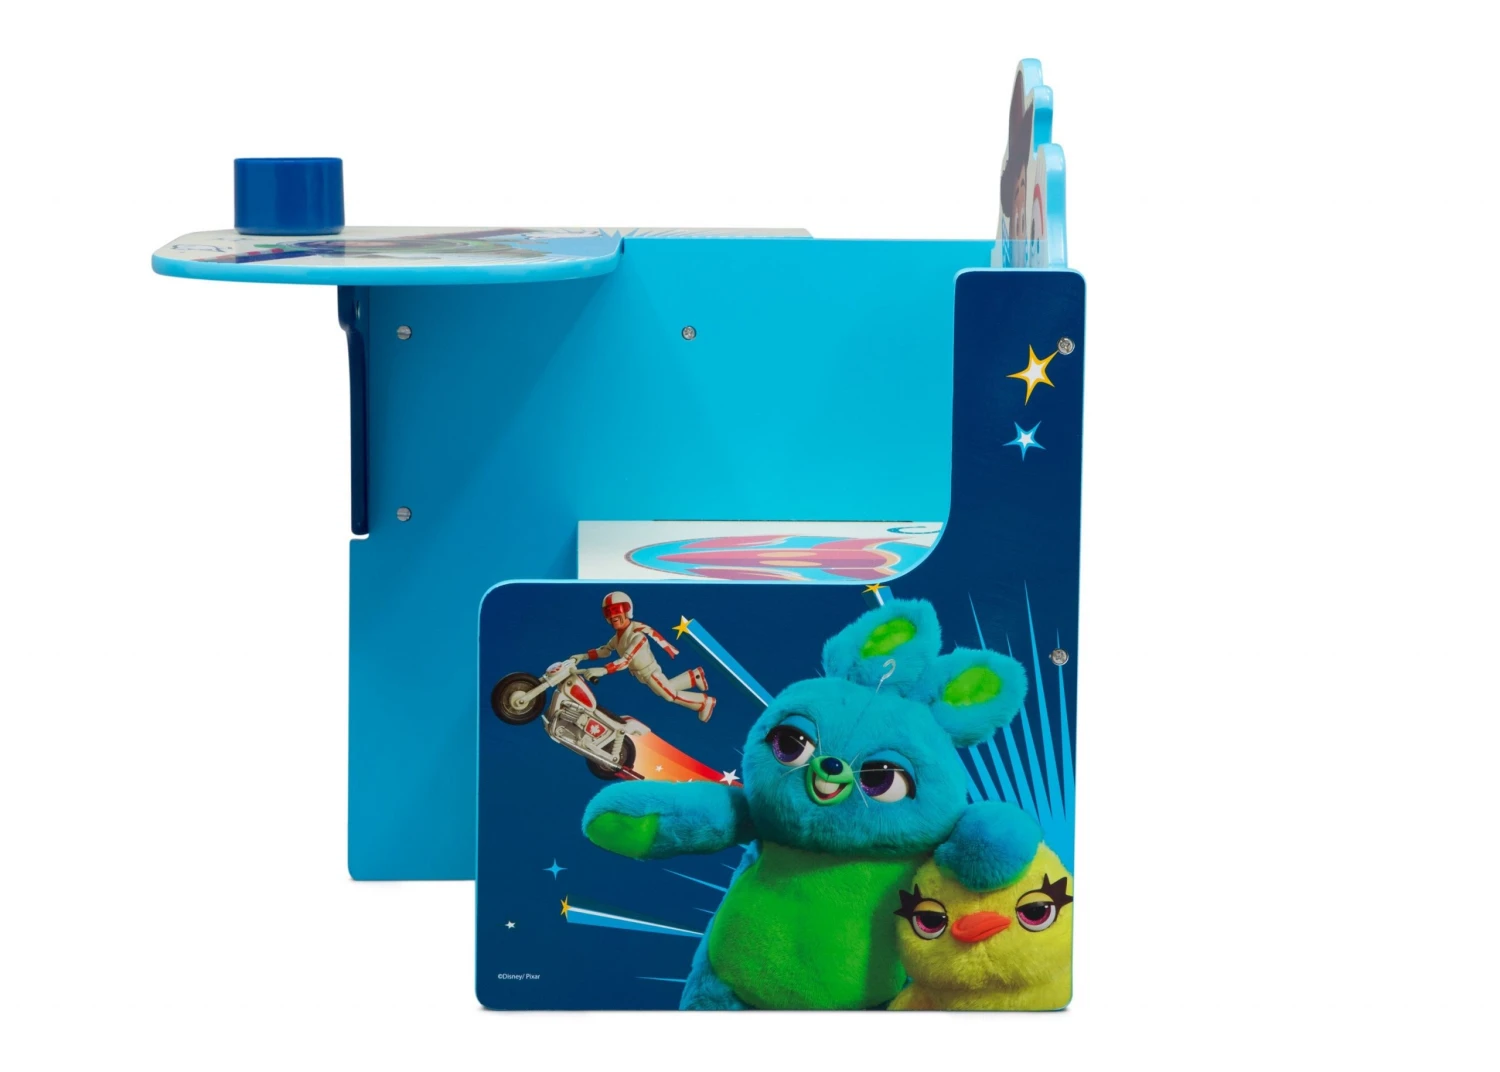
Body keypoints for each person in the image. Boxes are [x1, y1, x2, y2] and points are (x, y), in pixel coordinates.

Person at [574, 591, 716, 722]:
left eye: (617, 610)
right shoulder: (617, 638)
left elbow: (625, 661)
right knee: (664, 689)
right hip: (643, 675)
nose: (613, 616)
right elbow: (605, 650)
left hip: (651, 673)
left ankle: (704, 702)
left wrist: (603, 670)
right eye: (608, 612)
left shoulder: (637, 636)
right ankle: (694, 676)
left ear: (627, 610)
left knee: (670, 695)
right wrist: (583, 656)